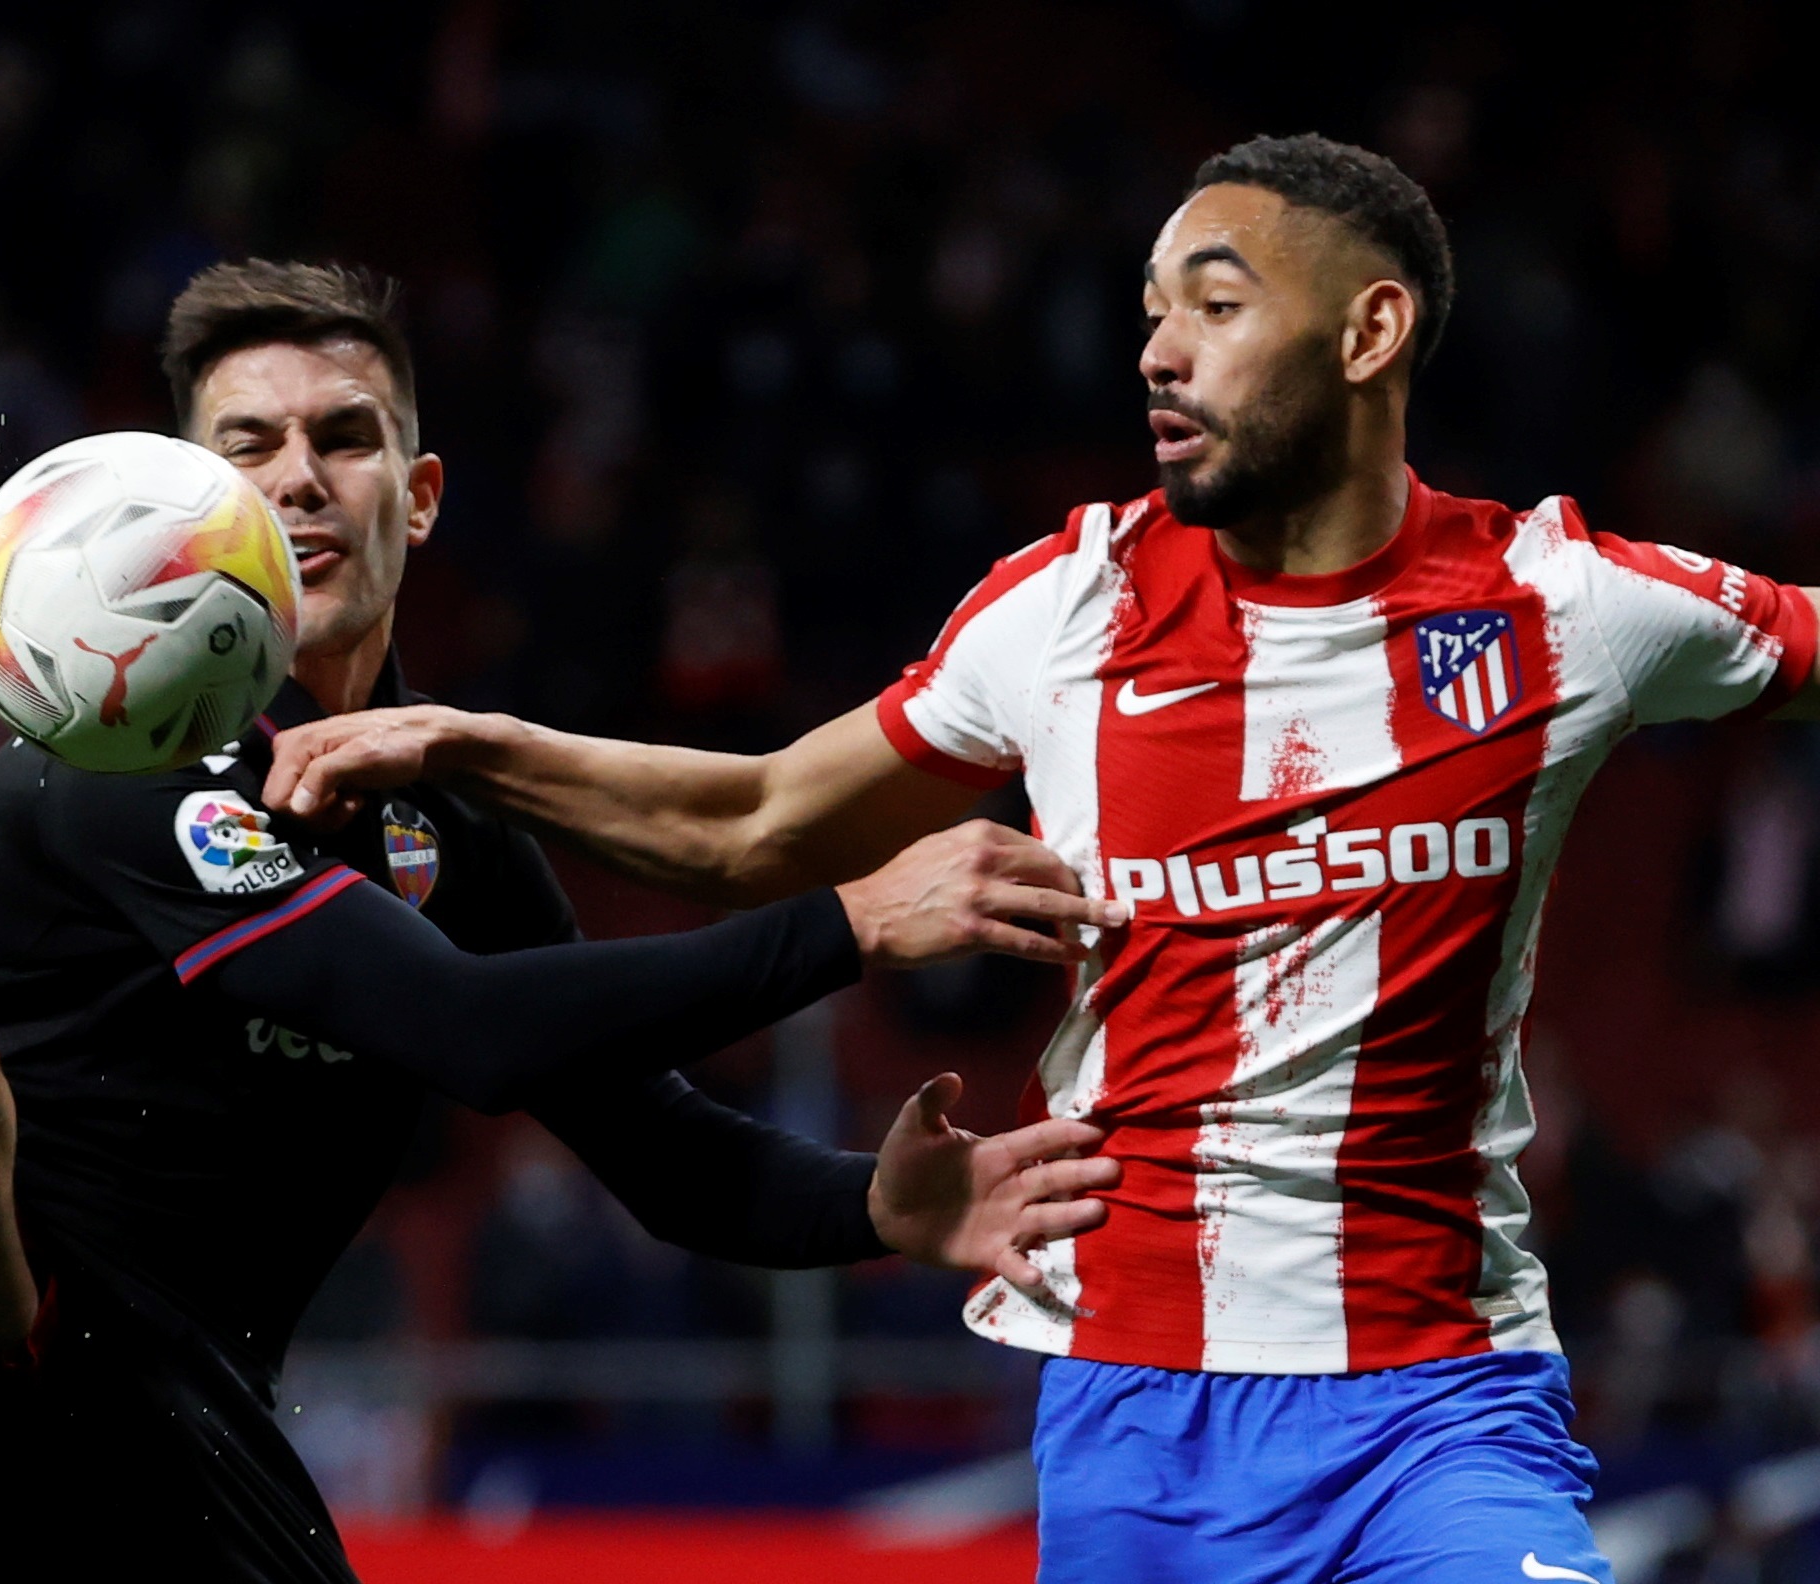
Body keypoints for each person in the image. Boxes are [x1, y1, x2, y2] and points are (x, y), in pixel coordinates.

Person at [268, 133, 1820, 1584]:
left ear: (1370, 332)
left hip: (1444, 1406)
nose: (1159, 352)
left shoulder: (1564, 606)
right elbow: (753, 824)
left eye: (1216, 306)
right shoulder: (1066, 607)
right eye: (1151, 314)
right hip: (1137, 1417)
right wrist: (471, 746)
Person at [0, 282, 1118, 1582]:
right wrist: (851, 921)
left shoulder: (456, 837)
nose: (298, 478)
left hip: (156, 1427)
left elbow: (667, 1157)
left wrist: (872, 1204)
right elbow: (472, 1032)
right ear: (180, 493)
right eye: (248, 447)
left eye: (345, 438)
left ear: (420, 496)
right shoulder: (101, 765)